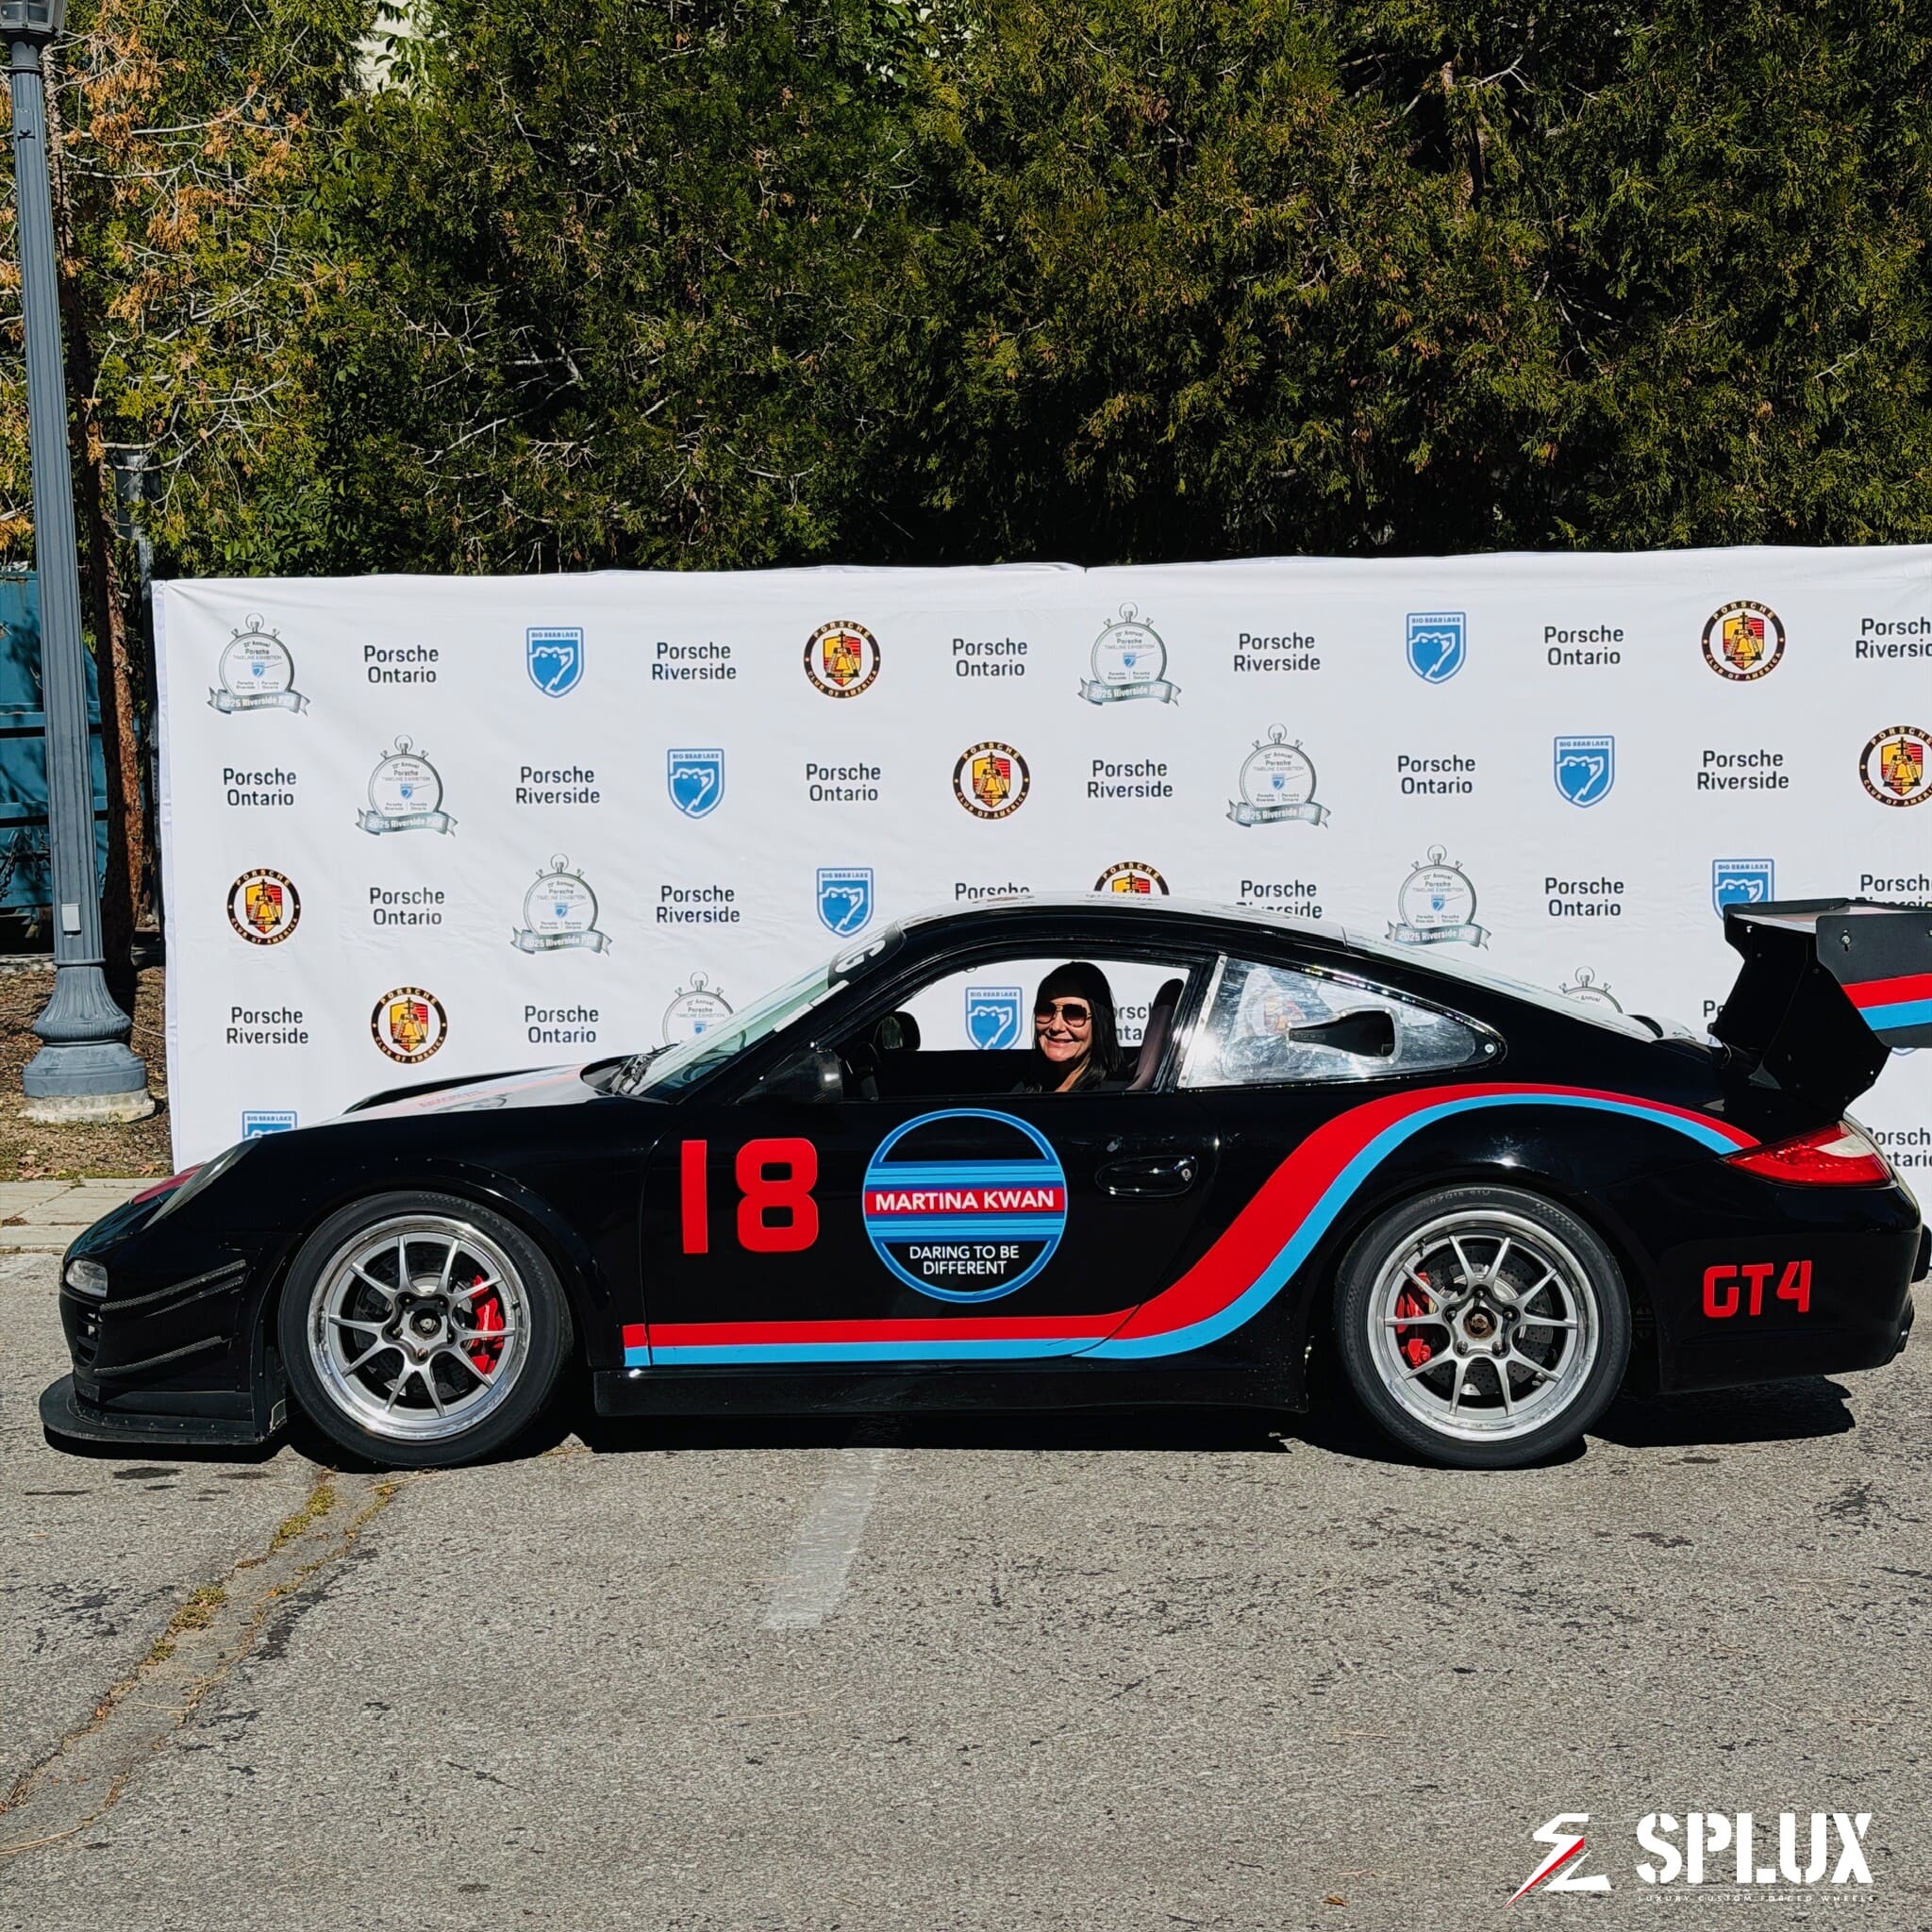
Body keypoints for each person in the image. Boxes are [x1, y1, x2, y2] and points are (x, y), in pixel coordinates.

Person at [1016, 961, 1121, 1093]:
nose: (1056, 1026)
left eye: (1074, 1013)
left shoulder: (1113, 1096)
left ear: (1099, 1023)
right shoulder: (1024, 1088)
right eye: (1046, 1010)